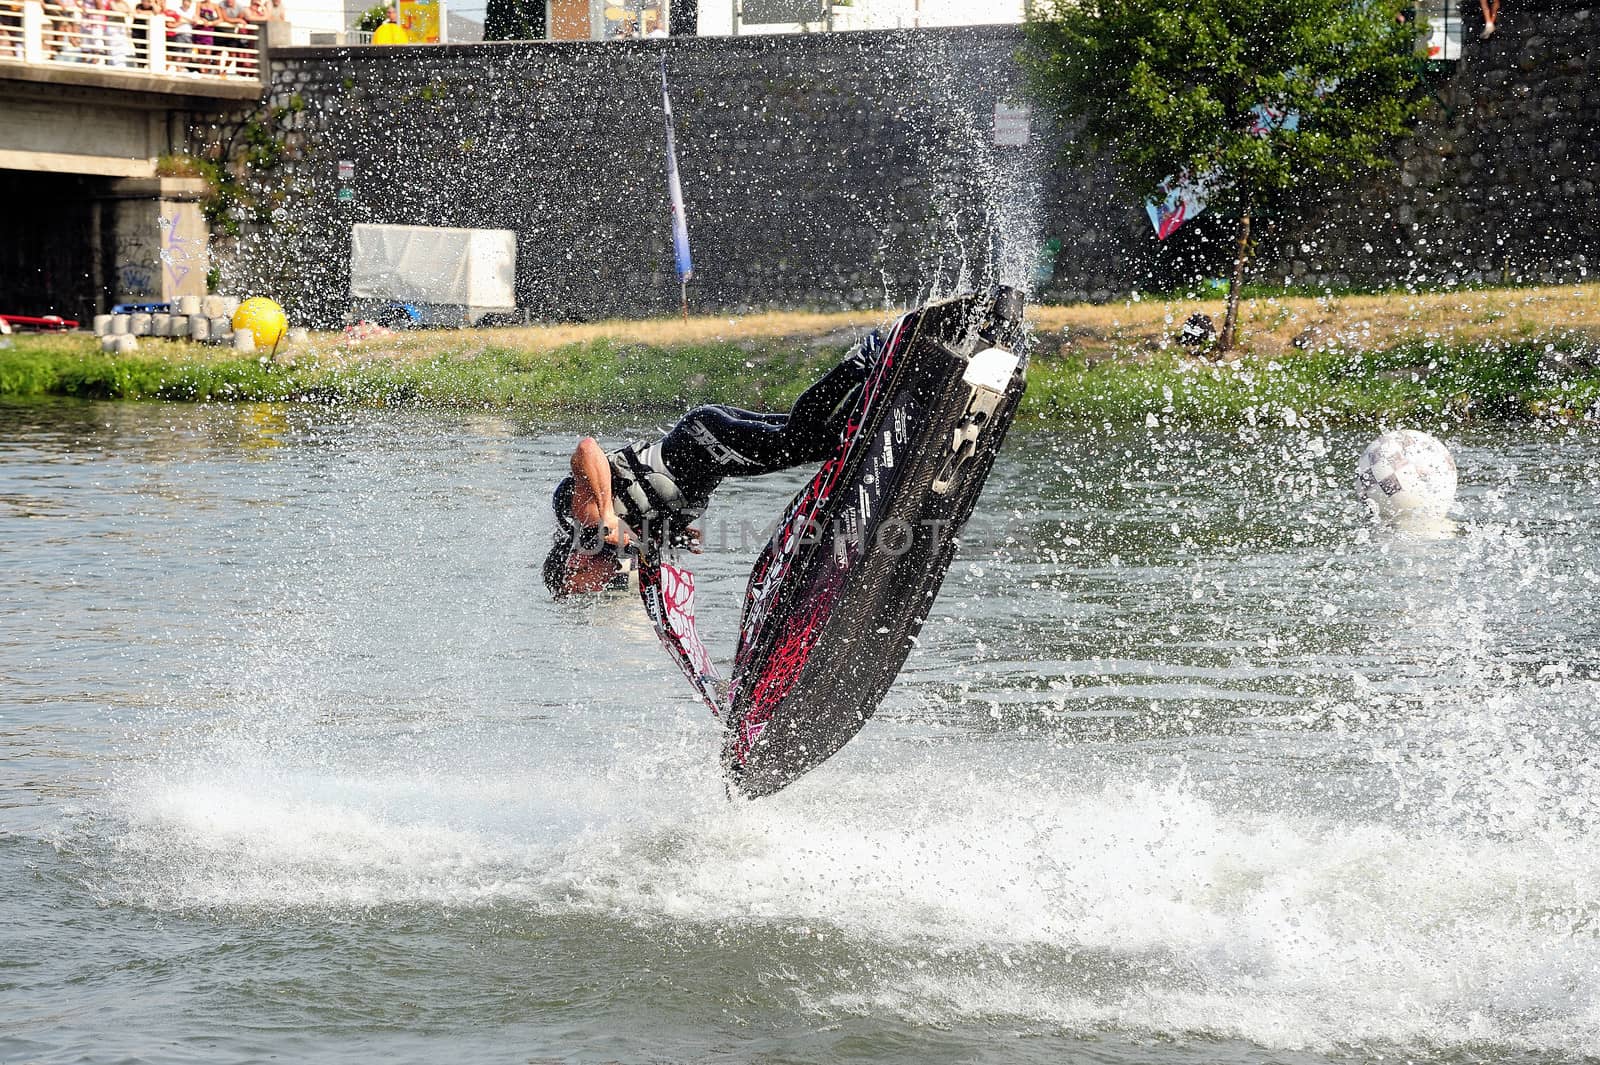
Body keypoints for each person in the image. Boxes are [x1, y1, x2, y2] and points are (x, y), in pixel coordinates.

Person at [544, 334, 881, 598]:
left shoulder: (584, 518)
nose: (597, 587)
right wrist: (672, 532)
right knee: (822, 443)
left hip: (701, 443)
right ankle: (874, 384)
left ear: (575, 565)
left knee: (794, 442)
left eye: (581, 587)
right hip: (708, 448)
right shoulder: (620, 546)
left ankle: (858, 362)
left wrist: (606, 514)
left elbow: (587, 450)